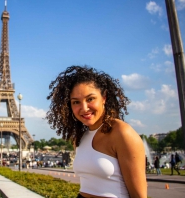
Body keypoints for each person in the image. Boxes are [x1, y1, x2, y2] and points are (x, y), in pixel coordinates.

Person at [46, 66, 147, 197]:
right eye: (76, 102)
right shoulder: (79, 137)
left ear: (104, 97)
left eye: (90, 99)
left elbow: (139, 195)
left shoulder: (122, 132)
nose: (84, 108)